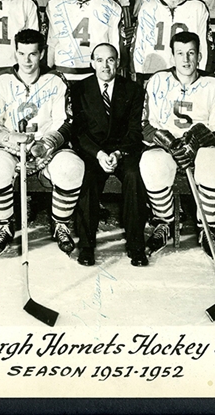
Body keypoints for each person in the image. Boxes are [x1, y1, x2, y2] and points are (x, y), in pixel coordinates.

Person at [0, 29, 85, 258]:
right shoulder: (1, 81)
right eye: (22, 53)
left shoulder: (55, 80)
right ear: (15, 52)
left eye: (33, 54)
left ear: (42, 53)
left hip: (46, 150)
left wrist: (46, 144)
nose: (27, 60)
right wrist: (7, 138)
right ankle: (4, 225)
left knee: (72, 166)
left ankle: (61, 223)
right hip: (11, 149)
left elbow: (65, 123)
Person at [139, 31, 215, 257]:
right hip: (168, 146)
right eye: (180, 53)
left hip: (200, 148)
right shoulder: (158, 80)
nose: (186, 59)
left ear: (199, 56)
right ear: (173, 56)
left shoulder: (212, 84)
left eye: (191, 53)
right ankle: (165, 222)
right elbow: (146, 125)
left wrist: (198, 139)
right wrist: (169, 142)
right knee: (151, 161)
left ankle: (206, 227)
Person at [71, 43, 149, 267]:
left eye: (111, 59)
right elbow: (78, 132)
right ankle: (86, 246)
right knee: (87, 178)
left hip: (122, 151)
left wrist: (117, 153)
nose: (105, 65)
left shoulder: (133, 89)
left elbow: (135, 131)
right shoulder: (79, 89)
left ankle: (136, 246)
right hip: (93, 152)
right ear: (92, 63)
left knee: (134, 176)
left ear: (118, 62)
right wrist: (97, 155)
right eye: (100, 60)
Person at [47, 0, 123, 81]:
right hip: (64, 72)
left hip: (95, 76)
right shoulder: (57, 3)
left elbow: (114, 45)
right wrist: (48, 75)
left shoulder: (111, 5)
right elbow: (52, 43)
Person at [131, 0, 210, 82]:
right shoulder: (149, 6)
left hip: (185, 75)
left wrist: (199, 77)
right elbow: (139, 46)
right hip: (153, 74)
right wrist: (140, 76)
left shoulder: (197, 7)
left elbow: (203, 48)